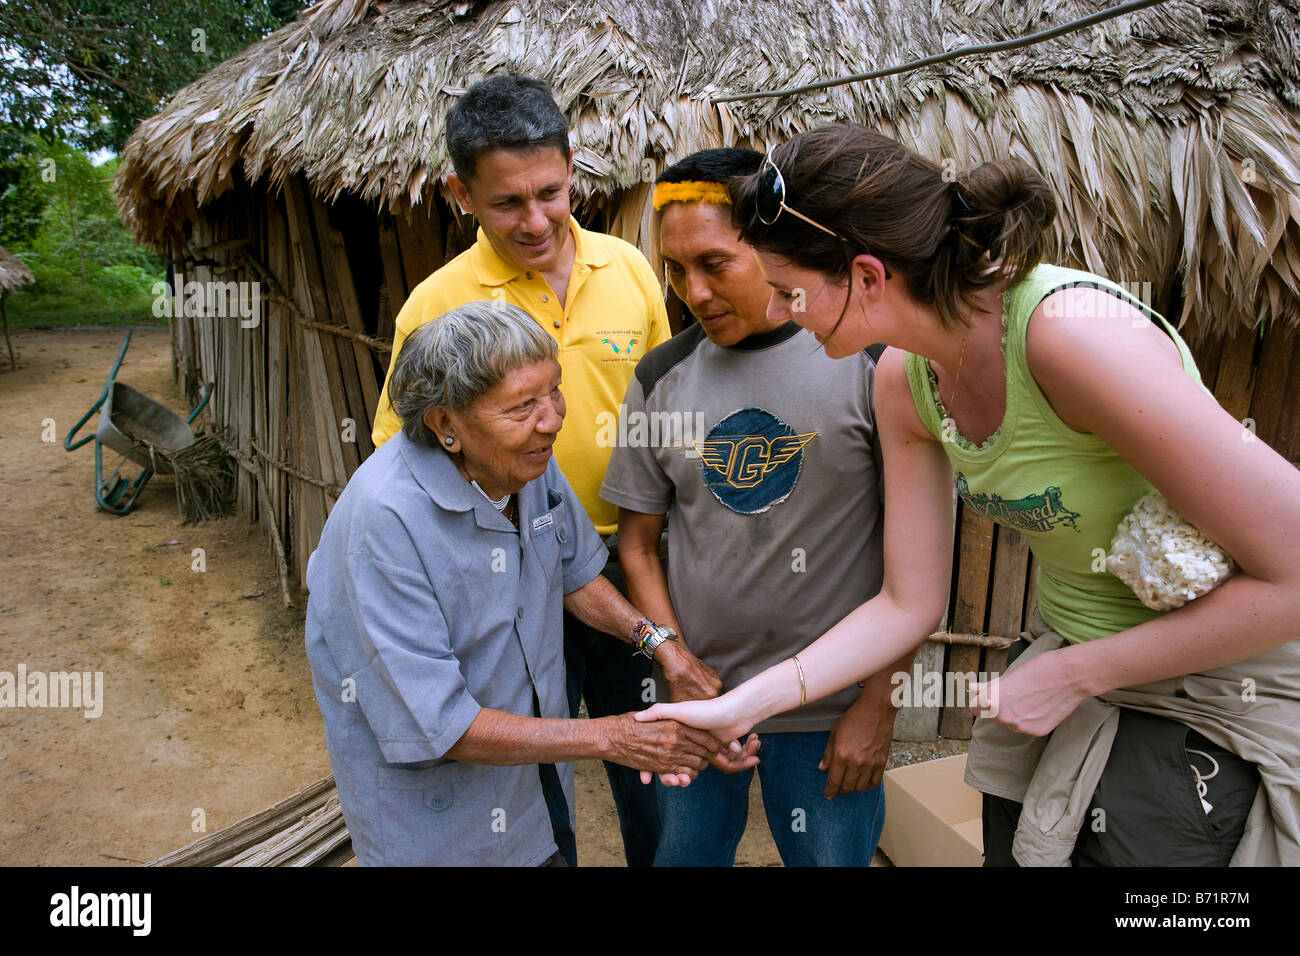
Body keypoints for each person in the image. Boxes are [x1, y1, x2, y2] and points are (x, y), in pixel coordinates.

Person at [637, 123, 1300, 865]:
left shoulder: (1071, 338)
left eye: (793, 291)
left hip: (1210, 686)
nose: (786, 312)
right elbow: (906, 603)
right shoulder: (906, 380)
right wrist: (738, 708)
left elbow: (1295, 576)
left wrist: (1079, 671)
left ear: (865, 276)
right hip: (1075, 670)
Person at [368, 75, 673, 865]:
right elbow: (399, 459)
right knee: (529, 769)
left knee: (655, 767)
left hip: (620, 561)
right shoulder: (439, 309)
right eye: (507, 203)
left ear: (575, 169)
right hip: (502, 580)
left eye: (552, 192)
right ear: (460, 193)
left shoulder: (631, 272)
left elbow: (670, 411)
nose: (536, 220)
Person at [306, 303, 724, 866]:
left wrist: (658, 645)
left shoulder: (524, 461)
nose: (551, 419)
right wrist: (614, 736)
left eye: (553, 391)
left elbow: (574, 571)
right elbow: (444, 726)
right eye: (522, 405)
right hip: (440, 825)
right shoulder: (383, 524)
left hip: (536, 787)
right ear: (446, 425)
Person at [599, 147, 912, 866]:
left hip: (830, 711)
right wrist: (674, 661)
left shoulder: (866, 363)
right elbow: (638, 545)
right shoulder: (661, 376)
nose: (693, 292)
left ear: (769, 250)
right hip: (700, 704)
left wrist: (877, 706)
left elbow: (915, 570)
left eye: (714, 264)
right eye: (676, 270)